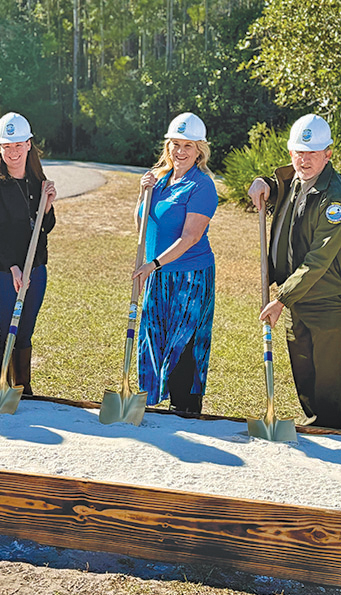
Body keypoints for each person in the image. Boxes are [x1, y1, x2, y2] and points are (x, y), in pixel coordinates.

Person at [247, 114, 341, 430]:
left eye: (312, 153)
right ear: (290, 153)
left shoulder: (337, 198)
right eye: (299, 152)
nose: (304, 160)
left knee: (327, 375)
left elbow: (317, 260)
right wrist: (266, 184)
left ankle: (333, 433)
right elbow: (282, 187)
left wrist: (281, 298)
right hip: (298, 296)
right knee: (304, 368)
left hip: (330, 298)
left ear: (328, 154)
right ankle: (314, 424)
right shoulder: (297, 180)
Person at [133, 113, 219, 413]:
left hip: (190, 275)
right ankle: (160, 406)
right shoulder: (159, 179)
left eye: (188, 145)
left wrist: (153, 264)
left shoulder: (202, 185)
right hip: (158, 271)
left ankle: (186, 408)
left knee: (183, 344)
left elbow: (190, 237)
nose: (180, 151)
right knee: (153, 339)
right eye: (175, 144)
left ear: (199, 151)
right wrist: (143, 193)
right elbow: (142, 225)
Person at [0, 112, 57, 395]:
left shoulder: (38, 179)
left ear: (28, 144)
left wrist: (47, 206)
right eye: (6, 146)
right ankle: (1, 389)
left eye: (17, 145)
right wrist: (13, 267)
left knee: (25, 330)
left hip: (35, 266)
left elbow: (45, 227)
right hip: (3, 269)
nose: (12, 152)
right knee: (6, 329)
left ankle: (23, 389)